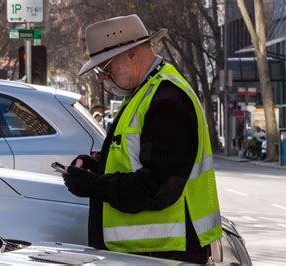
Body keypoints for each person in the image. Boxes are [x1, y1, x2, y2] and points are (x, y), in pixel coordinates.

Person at [62, 14, 222, 264]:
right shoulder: (148, 94)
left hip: (164, 253)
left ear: (132, 54)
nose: (103, 77)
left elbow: (158, 187)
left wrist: (92, 185)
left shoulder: (166, 100)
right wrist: (96, 167)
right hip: (155, 252)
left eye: (106, 67)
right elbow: (137, 160)